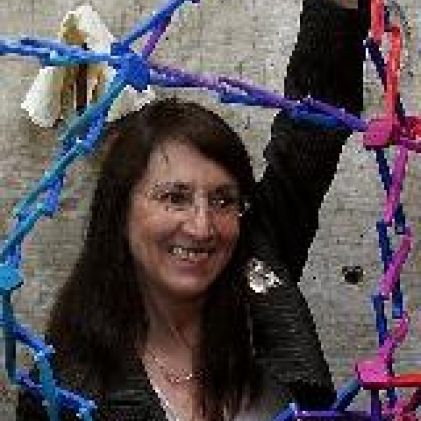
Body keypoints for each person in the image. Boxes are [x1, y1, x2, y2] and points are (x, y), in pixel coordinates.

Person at [16, 0, 368, 419]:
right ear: (120, 211)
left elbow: (314, 127)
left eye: (223, 200)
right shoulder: (63, 390)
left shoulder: (259, 267)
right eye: (174, 198)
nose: (202, 227)